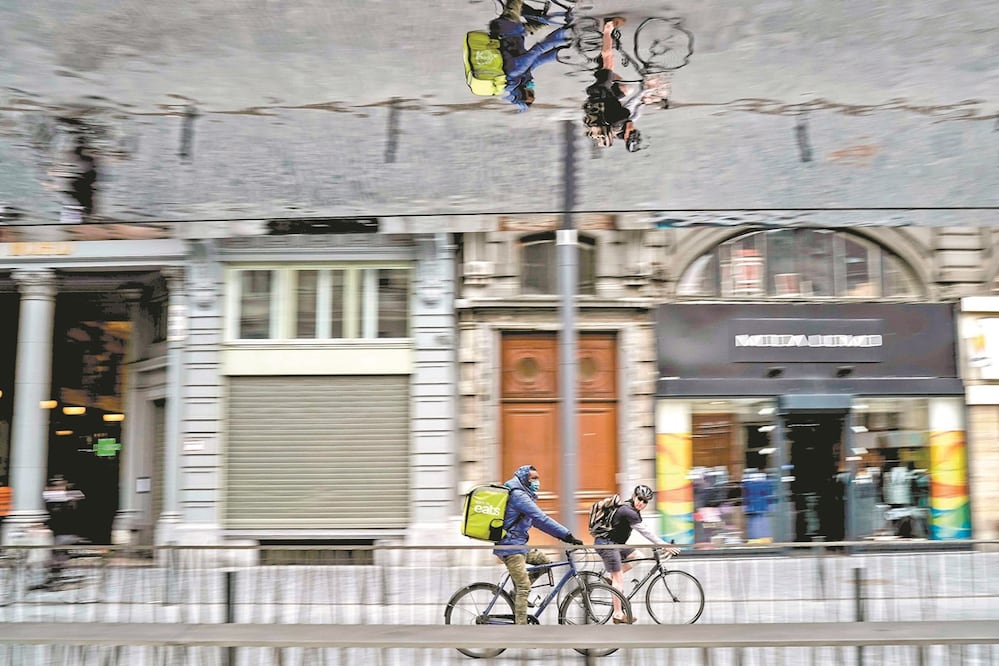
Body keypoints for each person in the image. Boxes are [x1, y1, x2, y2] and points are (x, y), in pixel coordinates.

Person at [493, 464, 584, 624]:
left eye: (538, 478)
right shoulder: (519, 496)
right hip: (510, 547)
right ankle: (522, 631)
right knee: (524, 586)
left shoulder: (525, 495)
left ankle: (516, 595)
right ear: (524, 480)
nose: (537, 481)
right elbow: (542, 518)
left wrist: (562, 537)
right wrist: (567, 535)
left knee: (545, 563)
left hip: (518, 545)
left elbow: (538, 522)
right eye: (533, 478)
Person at [595, 484, 680, 624]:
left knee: (637, 556)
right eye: (640, 498)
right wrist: (664, 546)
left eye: (645, 501)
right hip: (607, 544)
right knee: (619, 578)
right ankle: (617, 614)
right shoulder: (628, 511)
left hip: (616, 544)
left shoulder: (631, 509)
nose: (642, 503)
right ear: (634, 496)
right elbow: (645, 532)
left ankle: (610, 578)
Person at [490, 0, 573, 112]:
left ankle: (514, 8)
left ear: (521, 91)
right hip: (517, 33)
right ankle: (521, 9)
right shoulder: (521, 75)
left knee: (515, 2)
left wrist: (563, 35)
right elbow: (538, 61)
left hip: (507, 27)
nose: (532, 88)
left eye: (529, 92)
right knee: (542, 22)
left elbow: (538, 49)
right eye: (533, 92)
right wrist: (559, 54)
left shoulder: (515, 71)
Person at [582, 17, 645, 151]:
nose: (633, 128)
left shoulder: (619, 122)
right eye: (635, 130)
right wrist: (644, 97)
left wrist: (644, 89)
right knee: (626, 89)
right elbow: (635, 107)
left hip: (600, 93)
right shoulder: (621, 126)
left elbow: (632, 103)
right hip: (607, 98)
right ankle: (602, 69)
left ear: (627, 137)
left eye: (632, 132)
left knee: (609, 60)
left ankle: (608, 28)